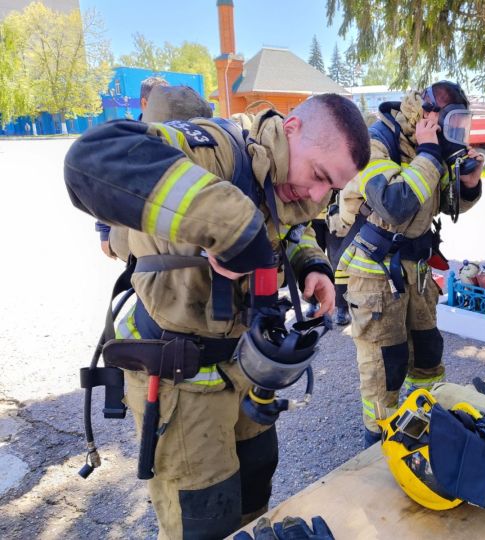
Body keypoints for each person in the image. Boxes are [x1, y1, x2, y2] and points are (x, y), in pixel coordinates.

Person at [64, 93, 370, 539]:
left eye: (333, 189)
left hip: (243, 370)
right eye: (320, 176)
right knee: (205, 520)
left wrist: (312, 264)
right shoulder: (215, 149)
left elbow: (292, 227)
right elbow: (93, 159)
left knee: (254, 491)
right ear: (291, 129)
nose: (318, 194)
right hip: (180, 378)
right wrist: (230, 226)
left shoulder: (292, 181)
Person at [331, 81, 483, 446]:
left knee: (427, 354)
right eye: (451, 122)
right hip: (374, 273)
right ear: (428, 114)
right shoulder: (376, 141)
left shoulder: (429, 145)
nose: (455, 133)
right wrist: (429, 155)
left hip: (415, 271)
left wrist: (469, 183)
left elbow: (446, 203)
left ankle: (421, 427)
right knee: (387, 367)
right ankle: (378, 448)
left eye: (462, 124)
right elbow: (394, 203)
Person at [96, 85, 212, 260]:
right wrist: (105, 233)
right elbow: (109, 190)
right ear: (144, 102)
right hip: (156, 259)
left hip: (164, 260)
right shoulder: (133, 142)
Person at [305, 197, 351, 325]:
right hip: (311, 211)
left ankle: (341, 306)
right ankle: (312, 301)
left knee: (340, 263)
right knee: (312, 259)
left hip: (338, 215)